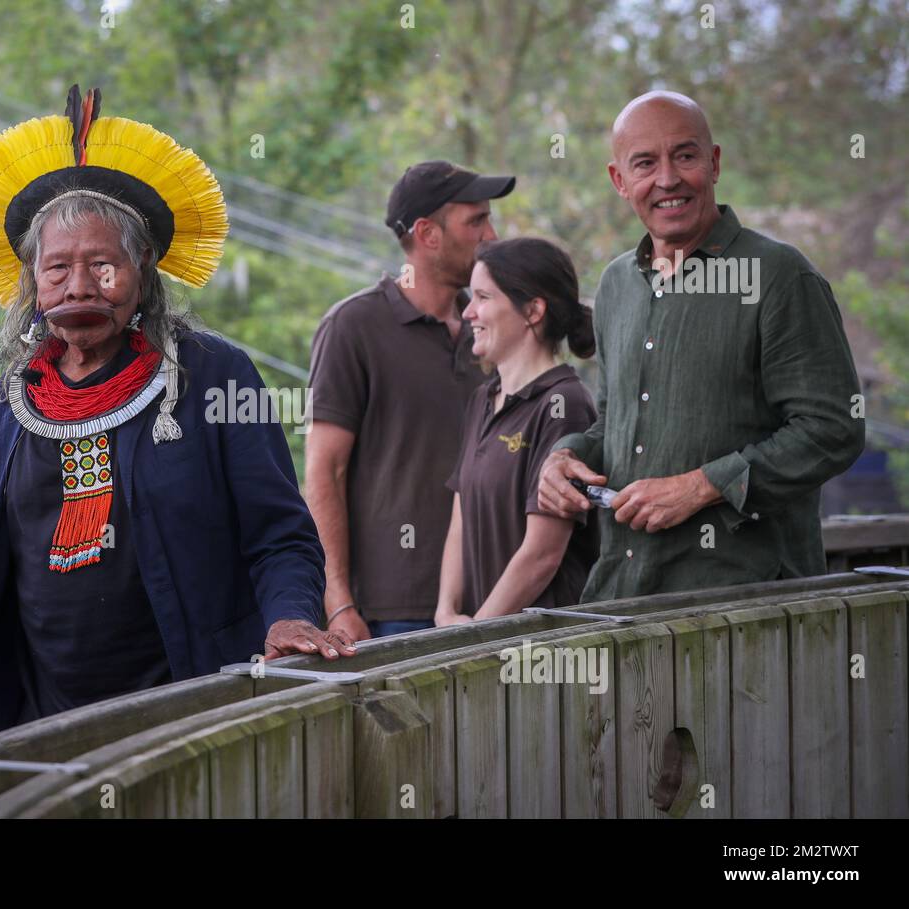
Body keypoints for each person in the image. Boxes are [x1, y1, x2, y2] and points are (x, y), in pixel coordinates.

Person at [0, 86, 353, 743]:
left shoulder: (216, 376)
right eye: (57, 268)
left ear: (142, 266)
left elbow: (280, 534)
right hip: (44, 721)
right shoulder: (4, 410)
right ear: (30, 280)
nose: (79, 284)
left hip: (195, 707)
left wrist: (288, 617)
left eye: (101, 264)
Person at [537, 90, 865, 601]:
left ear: (713, 164)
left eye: (684, 155)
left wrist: (702, 486)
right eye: (645, 163)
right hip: (622, 597)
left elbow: (834, 428)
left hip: (745, 608)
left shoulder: (779, 275)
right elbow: (615, 422)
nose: (667, 179)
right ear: (619, 181)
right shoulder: (616, 284)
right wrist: (566, 456)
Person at [306, 161, 514, 640]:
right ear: (428, 234)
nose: (492, 235)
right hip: (391, 609)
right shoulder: (353, 327)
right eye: (476, 221)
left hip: (493, 601)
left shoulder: (495, 330)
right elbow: (323, 472)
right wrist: (338, 605)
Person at [434, 238, 600, 625]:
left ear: (533, 310)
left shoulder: (565, 405)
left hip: (540, 646)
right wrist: (446, 611)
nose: (469, 312)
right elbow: (461, 516)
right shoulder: (482, 398)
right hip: (483, 638)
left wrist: (475, 634)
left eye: (483, 297)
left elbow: (542, 555)